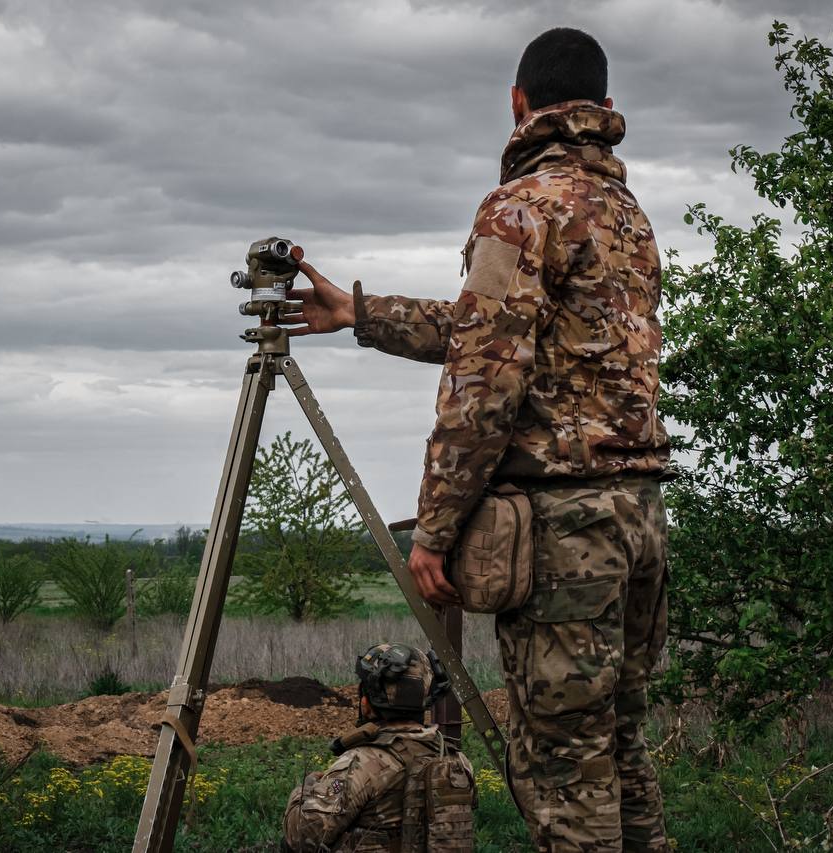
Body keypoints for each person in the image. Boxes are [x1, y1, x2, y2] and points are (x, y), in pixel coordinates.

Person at [282, 26, 670, 853]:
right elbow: (492, 331)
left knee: (566, 776)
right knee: (621, 747)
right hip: (638, 519)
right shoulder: (625, 215)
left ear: (518, 104)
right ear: (603, 109)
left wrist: (436, 528)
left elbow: (484, 381)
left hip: (566, 533)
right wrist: (361, 311)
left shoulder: (521, 206)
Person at [282, 643, 475, 852]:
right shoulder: (456, 760)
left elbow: (303, 835)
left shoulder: (362, 762)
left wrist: (304, 791)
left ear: (366, 703)